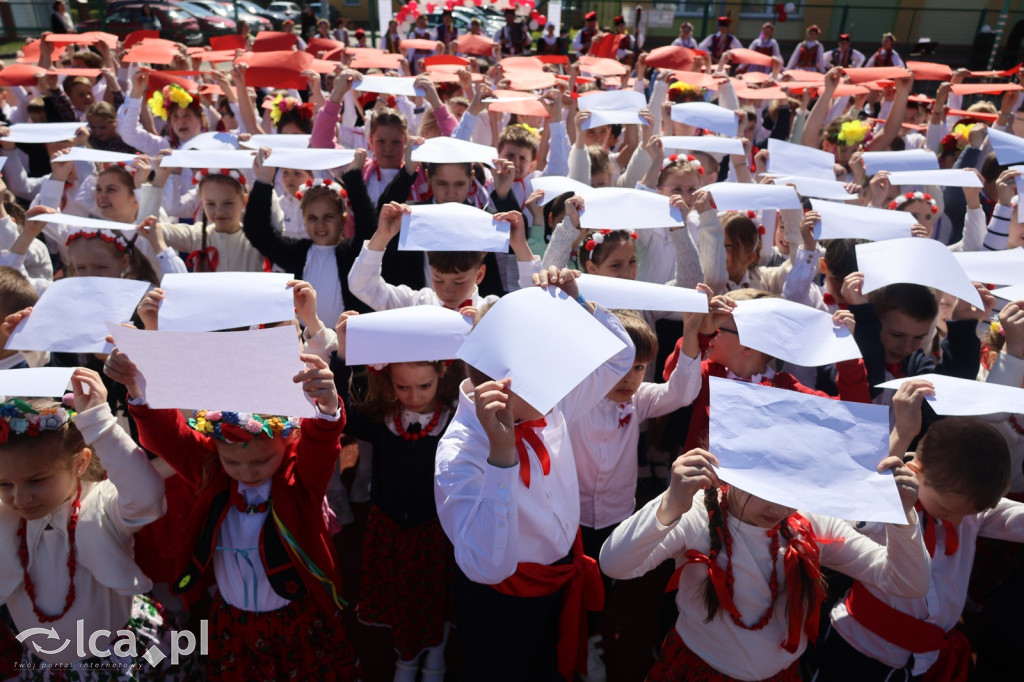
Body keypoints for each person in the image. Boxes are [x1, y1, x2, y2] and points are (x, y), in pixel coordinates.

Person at [598, 420, 931, 680]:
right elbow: (615, 564)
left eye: (792, 491)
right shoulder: (696, 511)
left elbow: (906, 584)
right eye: (766, 488)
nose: (779, 506)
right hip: (696, 669)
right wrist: (671, 502)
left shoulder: (810, 521)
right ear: (732, 468)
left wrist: (902, 518)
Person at [108, 345, 359, 681]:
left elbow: (322, 446)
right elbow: (170, 438)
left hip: (294, 616)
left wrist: (327, 406)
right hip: (233, 618)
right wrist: (137, 389)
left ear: (288, 441)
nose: (246, 472)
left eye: (260, 461)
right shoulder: (213, 473)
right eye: (233, 461)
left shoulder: (299, 482)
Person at [434, 267, 637, 681]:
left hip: (559, 580)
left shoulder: (546, 401)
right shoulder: (459, 454)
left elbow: (620, 357)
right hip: (502, 604)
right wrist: (502, 459)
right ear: (507, 390)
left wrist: (577, 306)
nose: (561, 389)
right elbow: (488, 568)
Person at [818, 381, 1023, 681]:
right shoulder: (887, 502)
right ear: (916, 471)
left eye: (971, 513)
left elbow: (1016, 519)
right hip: (859, 647)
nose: (958, 520)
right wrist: (902, 433)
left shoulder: (966, 508)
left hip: (920, 660)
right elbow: (859, 501)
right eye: (948, 509)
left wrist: (965, 512)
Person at [0, 372, 193, 678]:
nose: (20, 498)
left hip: (122, 660)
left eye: (36, 481)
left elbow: (147, 497)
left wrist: (99, 424)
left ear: (80, 463)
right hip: (45, 665)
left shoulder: (100, 505)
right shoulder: (5, 518)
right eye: (4, 485)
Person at [334, 315, 464, 682]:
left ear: (442, 375)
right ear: (389, 380)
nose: (414, 396)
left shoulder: (455, 419)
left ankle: (435, 657)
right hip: (390, 525)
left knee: (436, 596)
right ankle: (406, 659)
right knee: (404, 597)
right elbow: (346, 408)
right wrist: (347, 350)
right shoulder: (382, 418)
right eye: (403, 387)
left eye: (424, 386)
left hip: (435, 529)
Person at [245, 148, 374, 322]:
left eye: (328, 217)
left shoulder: (353, 253)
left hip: (348, 342)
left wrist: (353, 178)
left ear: (343, 219)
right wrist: (264, 181)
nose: (320, 224)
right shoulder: (299, 253)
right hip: (309, 342)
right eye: (312, 218)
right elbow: (258, 233)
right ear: (304, 220)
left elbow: (369, 228)